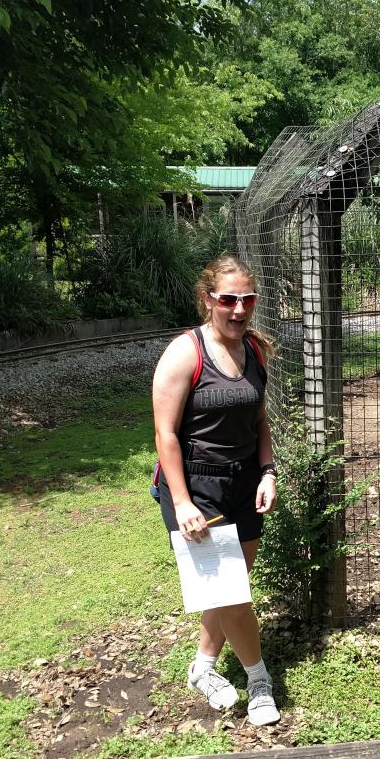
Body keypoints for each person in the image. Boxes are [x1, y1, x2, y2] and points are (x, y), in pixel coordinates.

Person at [152, 255, 280, 725]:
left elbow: (260, 420)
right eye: (228, 299)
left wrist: (267, 471)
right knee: (233, 596)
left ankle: (203, 667)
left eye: (247, 299)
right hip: (195, 488)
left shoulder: (255, 350)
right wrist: (182, 502)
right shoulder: (186, 352)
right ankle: (259, 679)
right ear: (208, 299)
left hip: (245, 482)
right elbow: (165, 433)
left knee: (229, 591)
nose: (238, 308)